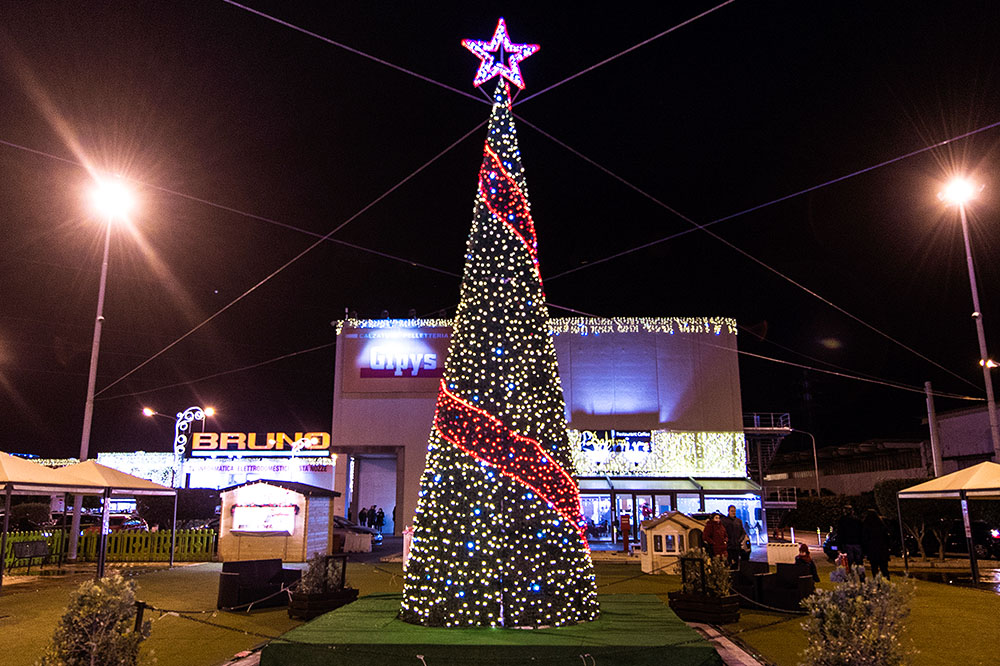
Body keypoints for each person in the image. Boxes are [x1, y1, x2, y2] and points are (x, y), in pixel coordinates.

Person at [861, 509, 891, 579]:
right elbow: (887, 537)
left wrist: (864, 550)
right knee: (884, 568)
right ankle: (887, 583)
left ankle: (877, 583)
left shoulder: (867, 525)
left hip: (872, 550)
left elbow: (865, 538)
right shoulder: (881, 524)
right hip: (882, 550)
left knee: (874, 568)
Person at [835, 505, 864, 569]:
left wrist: (839, 547)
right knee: (859, 562)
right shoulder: (857, 520)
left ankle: (850, 576)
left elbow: (840, 533)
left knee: (849, 562)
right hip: (857, 543)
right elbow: (862, 532)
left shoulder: (842, 520)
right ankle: (862, 576)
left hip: (847, 543)